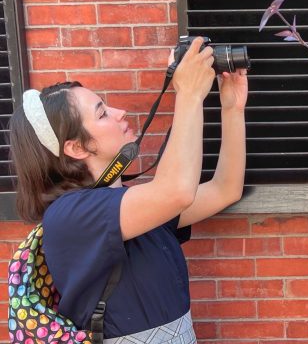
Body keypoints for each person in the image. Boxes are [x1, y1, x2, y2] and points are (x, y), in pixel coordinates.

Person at [8, 37, 248, 343]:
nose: (119, 112)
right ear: (77, 147)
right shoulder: (69, 216)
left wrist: (232, 108)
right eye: (102, 113)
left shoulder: (132, 207)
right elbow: (177, 191)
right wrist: (188, 93)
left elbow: (225, 190)